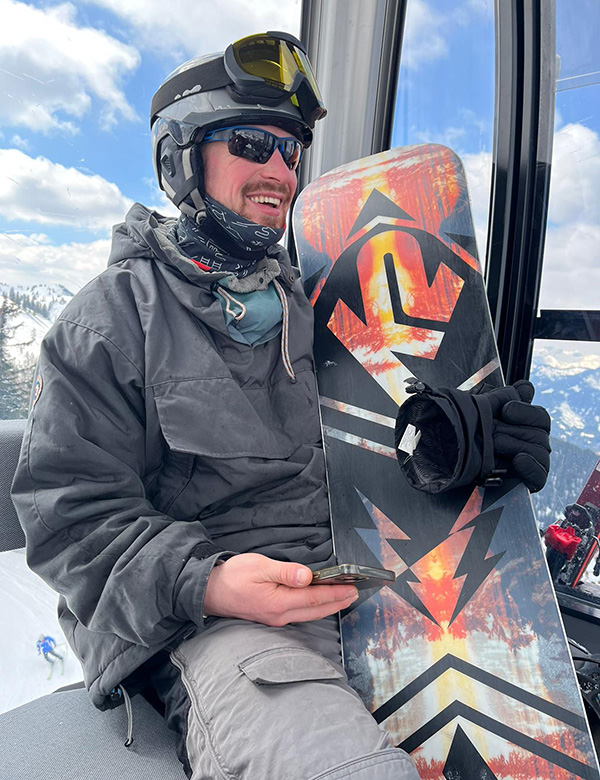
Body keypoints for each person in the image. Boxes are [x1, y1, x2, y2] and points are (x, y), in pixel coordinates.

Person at [12, 30, 550, 780]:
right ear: (180, 158)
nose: (280, 170)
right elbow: (69, 517)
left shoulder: (320, 307)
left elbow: (360, 451)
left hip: (361, 588)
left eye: (291, 151)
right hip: (214, 625)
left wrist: (446, 451)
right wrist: (207, 580)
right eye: (250, 145)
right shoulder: (112, 320)